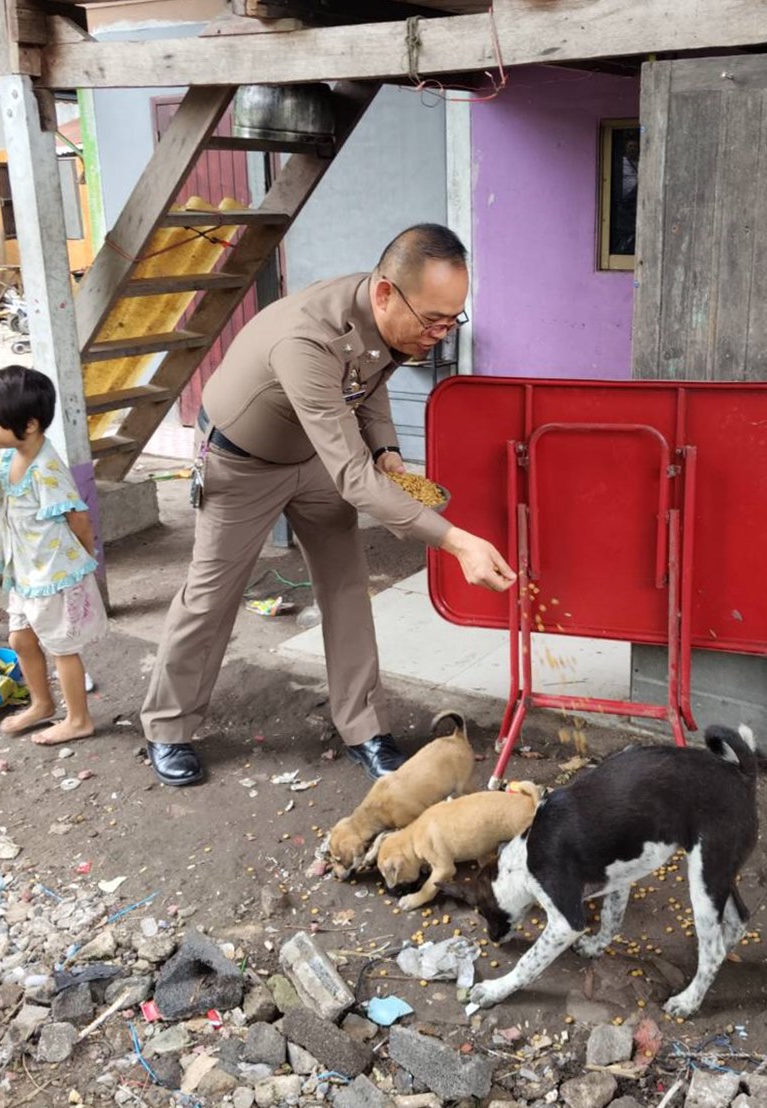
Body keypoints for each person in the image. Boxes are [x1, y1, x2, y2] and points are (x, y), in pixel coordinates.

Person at [140, 223, 515, 788]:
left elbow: (370, 384)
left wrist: (388, 452)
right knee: (212, 594)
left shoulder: (388, 321)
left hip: (314, 456)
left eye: (451, 319)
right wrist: (455, 540)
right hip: (242, 461)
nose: (440, 333)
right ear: (386, 292)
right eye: (433, 320)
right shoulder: (307, 340)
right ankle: (168, 726)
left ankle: (364, 727)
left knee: (345, 588)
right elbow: (353, 475)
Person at [0, 365, 107, 746]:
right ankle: (42, 704)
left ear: (28, 425)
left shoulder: (46, 469)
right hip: (26, 571)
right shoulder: (8, 457)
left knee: (62, 647)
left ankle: (78, 718)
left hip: (53, 573)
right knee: (21, 639)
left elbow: (78, 517)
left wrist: (83, 559)